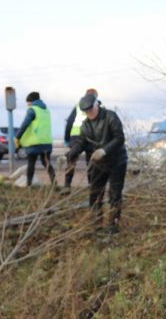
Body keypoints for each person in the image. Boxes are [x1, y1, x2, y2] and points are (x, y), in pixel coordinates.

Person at [68, 93, 127, 233]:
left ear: (97, 105)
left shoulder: (110, 117)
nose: (89, 113)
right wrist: (71, 153)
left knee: (114, 194)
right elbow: (81, 141)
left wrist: (104, 150)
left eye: (91, 110)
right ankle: (96, 223)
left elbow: (119, 138)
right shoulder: (85, 125)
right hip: (99, 164)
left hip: (117, 161)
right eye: (86, 112)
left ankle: (113, 226)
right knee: (94, 193)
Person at [15, 92, 56, 187]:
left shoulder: (32, 110)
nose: (27, 105)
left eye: (28, 102)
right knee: (46, 163)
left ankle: (28, 184)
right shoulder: (46, 110)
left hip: (35, 142)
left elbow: (25, 124)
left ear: (31, 101)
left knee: (31, 163)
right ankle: (54, 182)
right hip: (46, 141)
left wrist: (18, 136)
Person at [62, 88, 98, 193]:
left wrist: (66, 139)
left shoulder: (78, 106)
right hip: (92, 138)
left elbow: (69, 122)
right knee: (91, 162)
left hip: (76, 136)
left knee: (71, 160)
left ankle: (67, 186)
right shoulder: (99, 106)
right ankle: (92, 186)